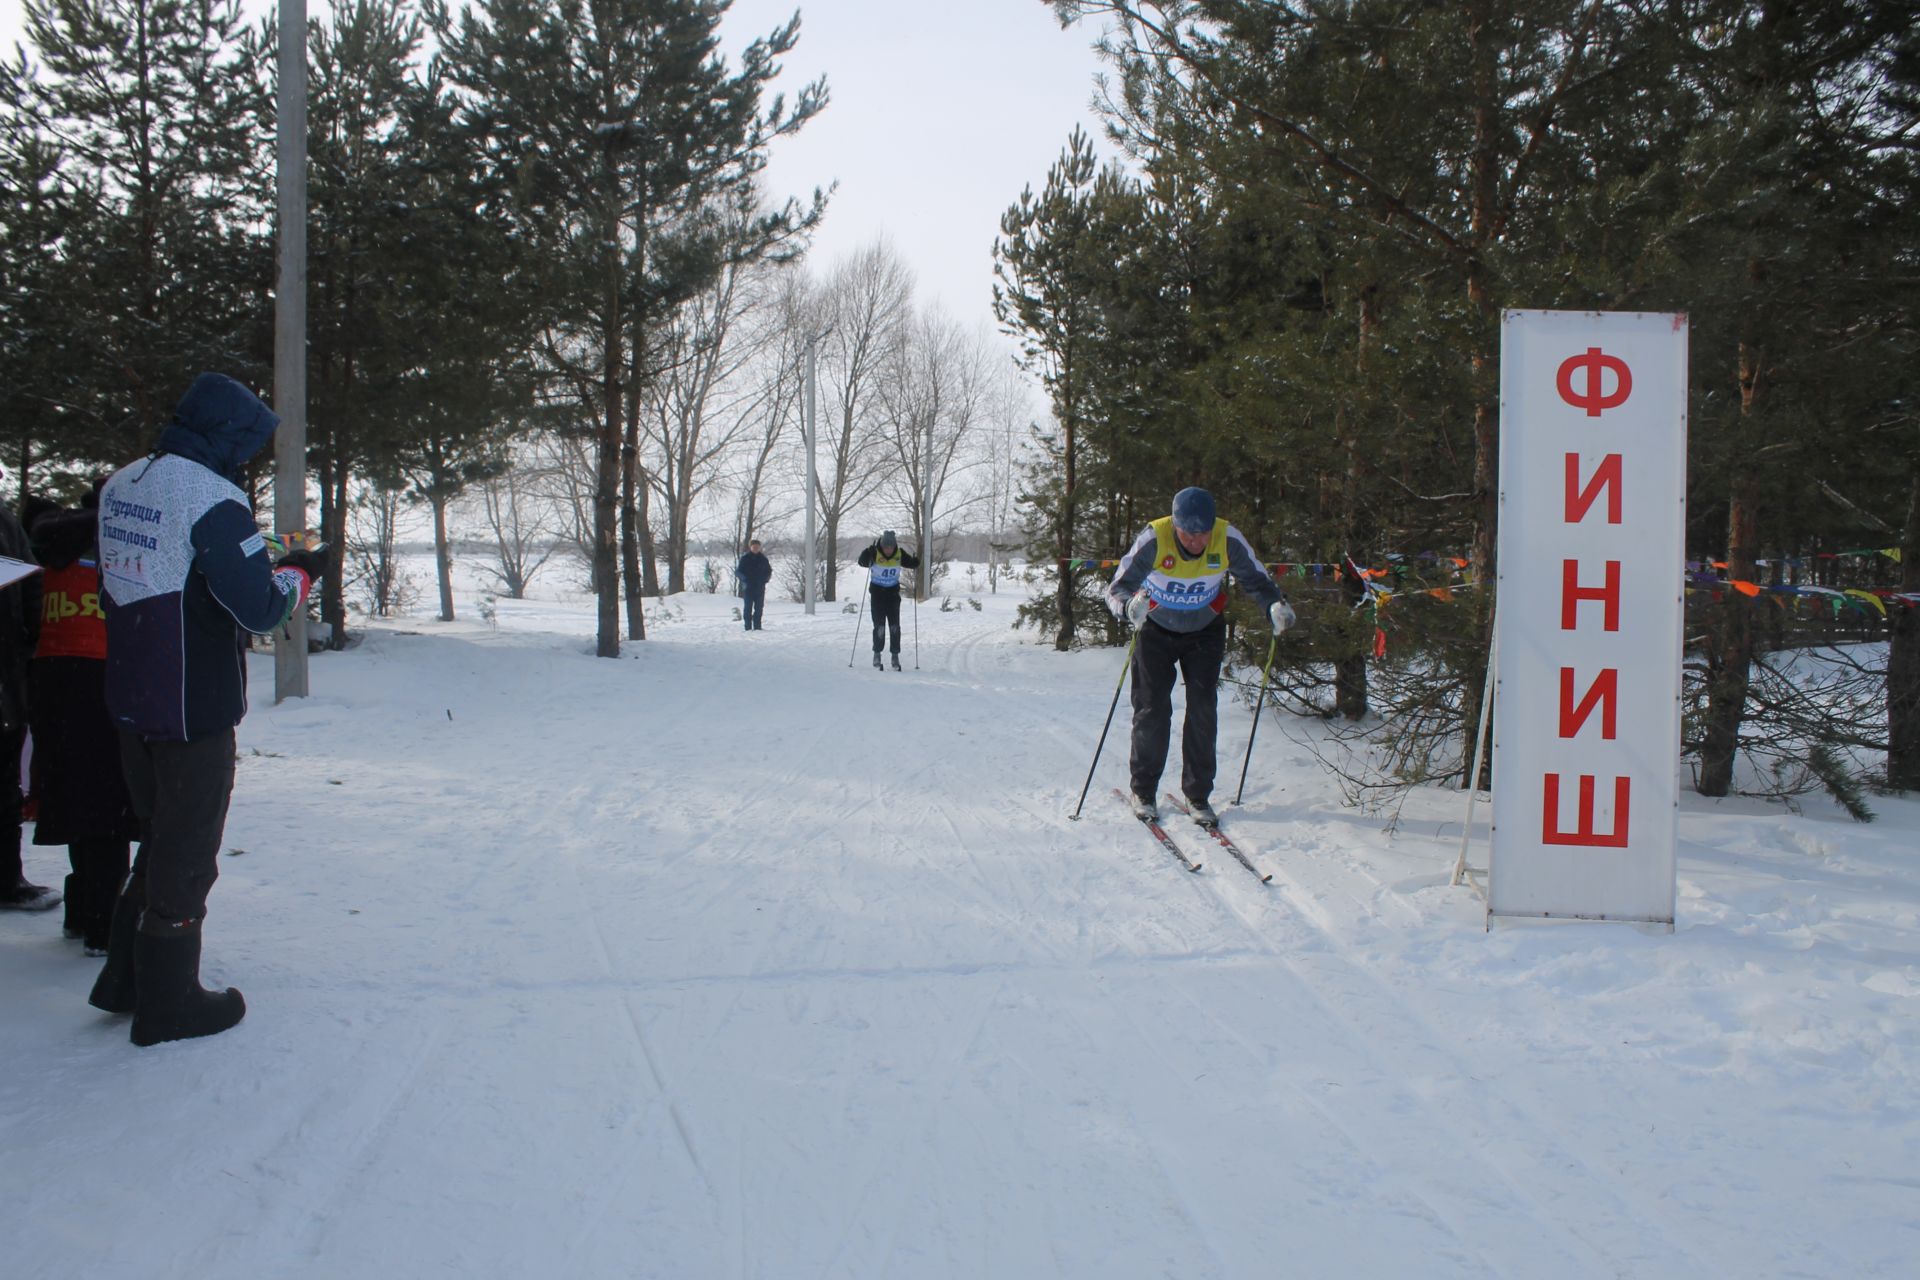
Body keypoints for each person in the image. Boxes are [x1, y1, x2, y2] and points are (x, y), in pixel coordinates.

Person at [89, 372, 326, 1047]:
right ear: (226, 436)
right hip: (193, 701)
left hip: (131, 690)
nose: (247, 458)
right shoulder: (212, 497)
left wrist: (263, 562)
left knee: (157, 831)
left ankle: (123, 977)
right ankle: (168, 1003)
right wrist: (304, 571)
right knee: (188, 847)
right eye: (246, 443)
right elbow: (259, 605)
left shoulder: (125, 480)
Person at [1106, 487, 1295, 826]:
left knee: (1203, 709)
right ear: (1175, 525)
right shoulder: (1154, 537)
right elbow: (1117, 587)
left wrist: (1274, 606)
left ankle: (1197, 795)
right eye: (1188, 534)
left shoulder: (1227, 538)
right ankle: (1144, 790)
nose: (1196, 541)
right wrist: (1127, 608)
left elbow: (1257, 580)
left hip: (1204, 628)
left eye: (1202, 533)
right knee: (1152, 708)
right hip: (1155, 628)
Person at [28, 487, 139, 953]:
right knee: (109, 808)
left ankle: (83, 912)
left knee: (78, 799)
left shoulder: (52, 540)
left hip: (51, 679)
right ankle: (104, 925)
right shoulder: (114, 542)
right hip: (102, 677)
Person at [0, 493, 51, 912]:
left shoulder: (4, 521)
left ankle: (7, 879)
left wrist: (31, 640)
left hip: (6, 675)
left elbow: (32, 582)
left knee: (5, 785)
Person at [856, 530, 920, 670]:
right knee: (879, 627)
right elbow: (862, 562)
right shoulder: (875, 552)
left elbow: (910, 563)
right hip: (878, 595)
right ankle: (877, 653)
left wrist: (915, 563)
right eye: (886, 547)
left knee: (894, 627)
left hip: (892, 595)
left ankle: (895, 655)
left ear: (894, 546)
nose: (889, 550)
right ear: (882, 545)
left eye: (891, 547)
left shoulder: (899, 553)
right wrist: (867, 553)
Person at [736, 537, 771, 631]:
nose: (756, 549)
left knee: (759, 608)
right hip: (748, 587)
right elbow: (738, 571)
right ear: (750, 547)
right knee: (748, 608)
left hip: (760, 587)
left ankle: (757, 627)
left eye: (757, 547)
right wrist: (745, 579)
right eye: (754, 547)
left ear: (760, 547)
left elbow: (768, 571)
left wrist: (765, 580)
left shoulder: (763, 559)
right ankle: (747, 627)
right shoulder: (745, 558)